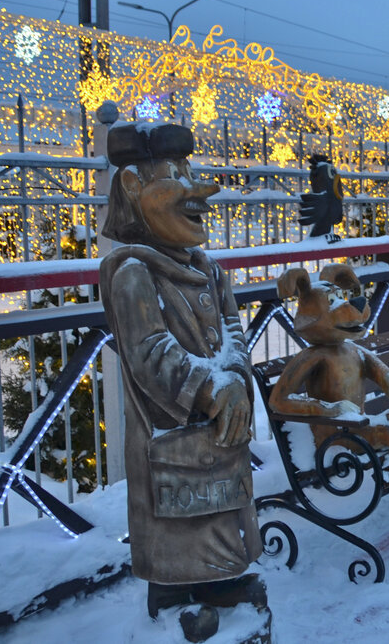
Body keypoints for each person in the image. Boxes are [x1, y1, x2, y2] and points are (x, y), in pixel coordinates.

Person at [99, 122, 266, 642]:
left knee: (219, 515)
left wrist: (234, 375)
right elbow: (150, 352)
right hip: (169, 437)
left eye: (190, 171)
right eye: (176, 176)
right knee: (177, 528)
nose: (198, 189)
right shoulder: (133, 273)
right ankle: (176, 595)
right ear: (132, 187)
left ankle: (218, 583)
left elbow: (234, 328)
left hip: (218, 433)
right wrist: (209, 387)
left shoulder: (210, 269)